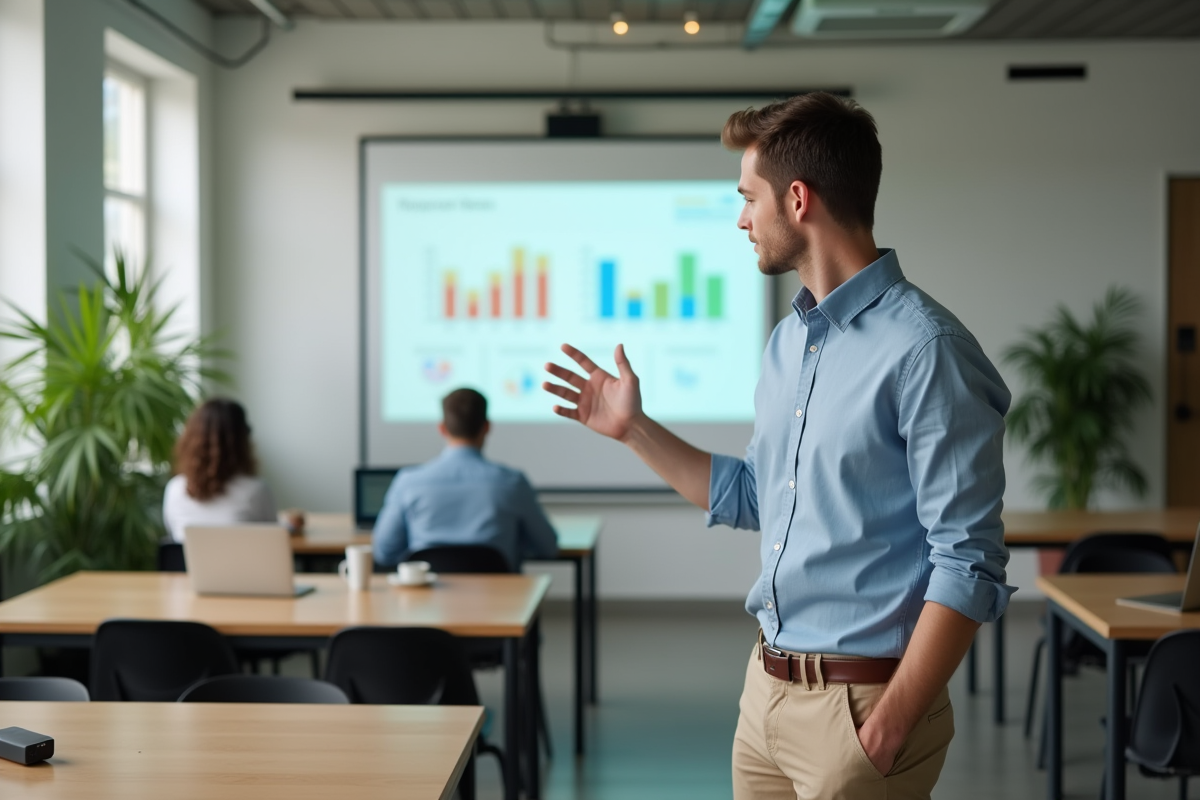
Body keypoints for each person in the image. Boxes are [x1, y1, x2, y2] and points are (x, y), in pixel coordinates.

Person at [541, 92, 1014, 799]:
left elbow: (968, 560)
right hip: (765, 696)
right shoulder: (790, 342)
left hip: (861, 709)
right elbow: (759, 496)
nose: (740, 218)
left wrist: (884, 732)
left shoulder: (926, 350)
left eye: (746, 197)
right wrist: (635, 429)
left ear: (798, 200)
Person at [373, 387, 559, 570]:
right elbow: (548, 547)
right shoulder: (512, 483)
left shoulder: (408, 482)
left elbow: (384, 552)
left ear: (442, 428)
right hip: (498, 598)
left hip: (428, 598)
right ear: (487, 427)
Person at [163, 398, 277, 542]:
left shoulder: (175, 488)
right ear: (242, 439)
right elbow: (272, 539)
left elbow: (174, 536)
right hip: (241, 564)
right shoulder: (256, 490)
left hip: (187, 565)